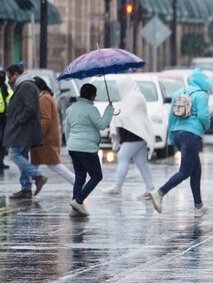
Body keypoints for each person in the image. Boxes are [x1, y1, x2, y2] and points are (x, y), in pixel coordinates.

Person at [149, 68, 211, 218]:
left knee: (196, 169)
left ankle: (198, 206)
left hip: (178, 134)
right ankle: (160, 193)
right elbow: (203, 116)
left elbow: (171, 118)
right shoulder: (201, 95)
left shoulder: (179, 92)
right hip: (191, 135)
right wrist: (205, 127)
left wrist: (171, 137)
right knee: (185, 171)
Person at [64, 83, 114, 217]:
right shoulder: (91, 109)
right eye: (95, 95)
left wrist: (70, 143)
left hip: (73, 147)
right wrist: (109, 110)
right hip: (87, 148)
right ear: (92, 95)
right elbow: (102, 125)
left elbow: (66, 129)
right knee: (97, 175)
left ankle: (75, 209)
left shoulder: (71, 109)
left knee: (80, 177)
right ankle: (79, 200)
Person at [105, 76, 155, 197]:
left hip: (136, 134)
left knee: (122, 156)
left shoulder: (135, 98)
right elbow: (122, 114)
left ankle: (117, 187)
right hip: (135, 135)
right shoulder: (128, 99)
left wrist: (117, 109)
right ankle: (151, 190)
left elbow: (126, 115)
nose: (118, 90)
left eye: (119, 87)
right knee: (140, 162)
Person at [4, 64, 48, 199]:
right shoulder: (23, 85)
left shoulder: (26, 85)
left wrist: (18, 120)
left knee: (14, 154)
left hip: (24, 130)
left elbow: (30, 108)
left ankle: (37, 176)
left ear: (16, 74)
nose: (9, 80)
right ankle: (26, 189)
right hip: (24, 129)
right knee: (21, 155)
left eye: (9, 77)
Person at [30, 77, 75, 184]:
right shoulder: (45, 97)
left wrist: (37, 134)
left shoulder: (44, 99)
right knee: (34, 164)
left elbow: (45, 119)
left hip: (46, 140)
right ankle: (27, 188)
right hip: (44, 139)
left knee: (54, 165)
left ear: (37, 87)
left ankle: (76, 181)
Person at [0, 68, 14, 169]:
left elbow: (12, 97)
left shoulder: (5, 87)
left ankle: (1, 161)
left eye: (2, 74)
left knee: (3, 141)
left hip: (4, 118)